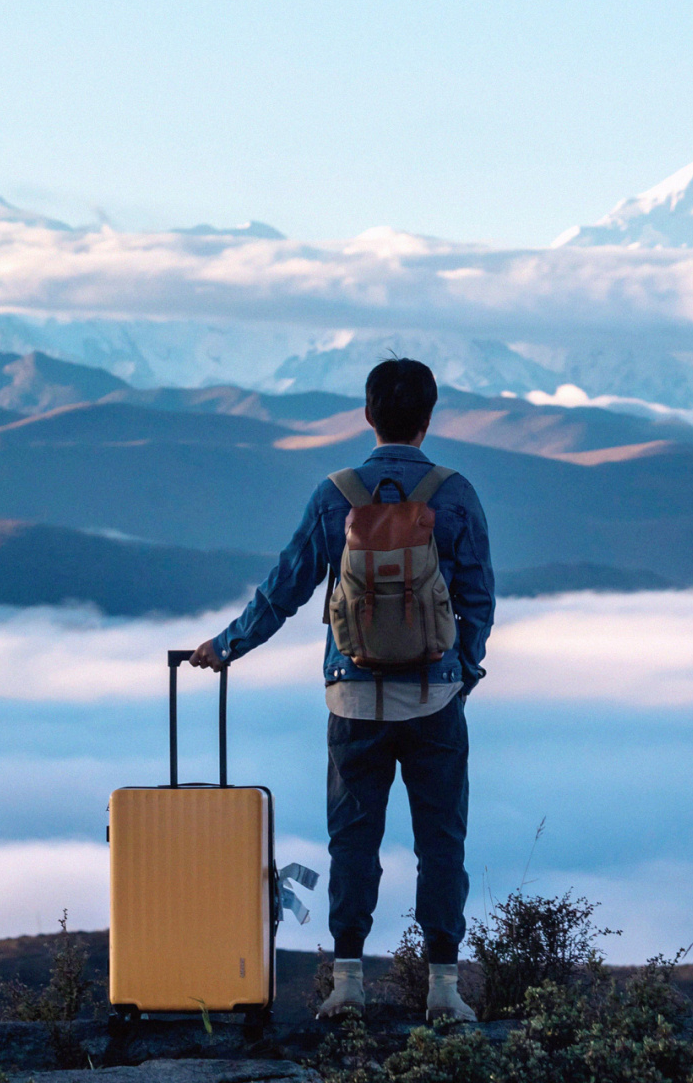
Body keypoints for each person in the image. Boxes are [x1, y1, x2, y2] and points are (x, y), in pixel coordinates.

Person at [191, 357, 496, 1021]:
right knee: (441, 840)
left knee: (353, 839)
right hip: (434, 700)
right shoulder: (455, 493)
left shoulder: (336, 495)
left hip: (352, 697)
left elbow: (287, 587)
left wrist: (229, 645)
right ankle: (444, 990)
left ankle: (348, 983)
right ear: (429, 416)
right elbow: (478, 599)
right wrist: (461, 673)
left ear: (367, 415)